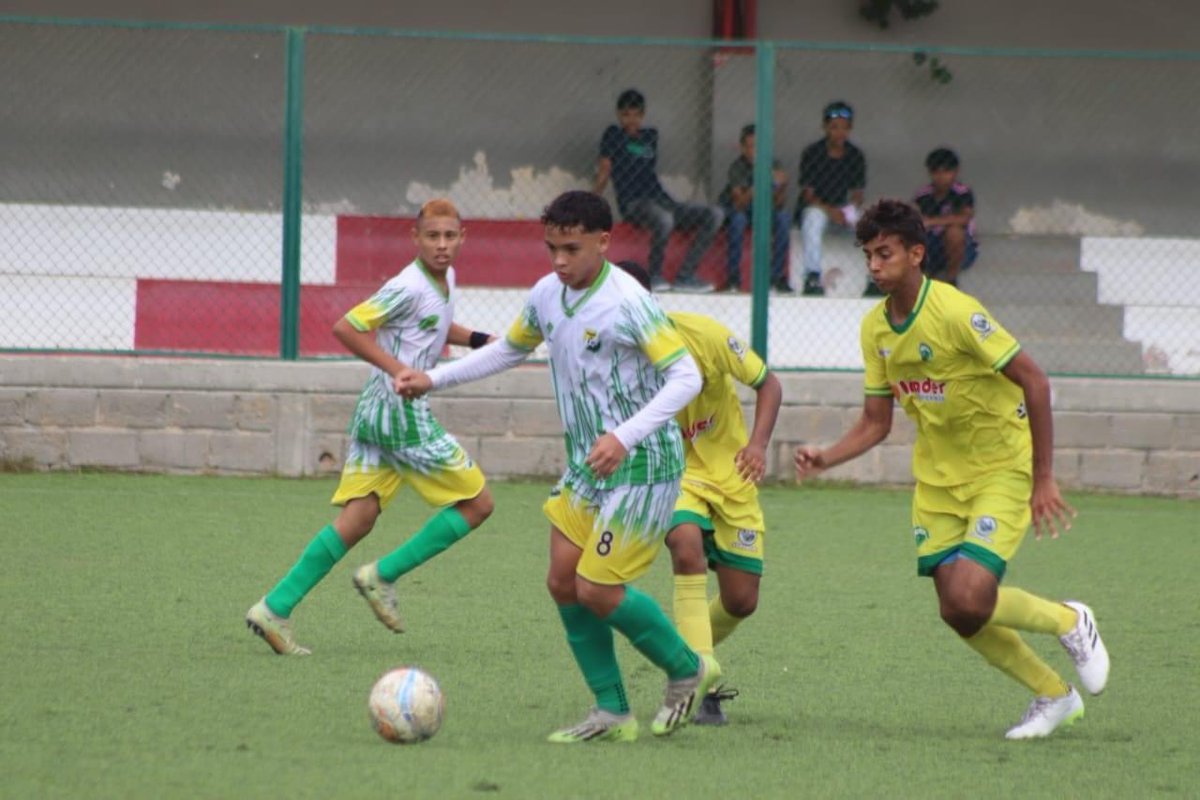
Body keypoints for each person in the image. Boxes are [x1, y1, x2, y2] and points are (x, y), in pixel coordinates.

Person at [396, 191, 721, 742]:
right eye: (552, 248)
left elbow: (686, 377)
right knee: (562, 580)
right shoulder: (548, 294)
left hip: (644, 463)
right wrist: (434, 378)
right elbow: (510, 349)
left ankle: (688, 668)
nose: (560, 261)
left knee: (597, 589)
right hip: (588, 465)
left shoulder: (629, 301)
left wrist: (623, 434)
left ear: (603, 242)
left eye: (572, 248)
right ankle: (612, 711)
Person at [793, 199, 1110, 740]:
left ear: (916, 254)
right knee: (958, 612)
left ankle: (1070, 621)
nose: (874, 265)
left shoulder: (957, 311)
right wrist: (827, 455)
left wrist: (1043, 478)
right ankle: (1054, 696)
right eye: (868, 255)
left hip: (1000, 469)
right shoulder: (875, 330)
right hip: (937, 484)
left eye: (885, 253)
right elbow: (876, 422)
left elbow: (1035, 381)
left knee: (970, 596)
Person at [245, 198, 496, 655]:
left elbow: (434, 325)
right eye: (432, 236)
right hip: (400, 412)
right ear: (414, 238)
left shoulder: (444, 280)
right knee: (479, 504)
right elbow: (347, 327)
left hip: (373, 411)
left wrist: (478, 339)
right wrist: (398, 368)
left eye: (449, 236)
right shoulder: (407, 284)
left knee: (358, 518)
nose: (441, 245)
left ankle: (274, 608)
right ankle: (383, 575)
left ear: (463, 237)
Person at [616, 260, 783, 725]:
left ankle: (686, 658)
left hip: (731, 476)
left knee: (741, 601)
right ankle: (698, 673)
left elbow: (768, 383)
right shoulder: (614, 360)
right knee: (684, 543)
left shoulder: (704, 335)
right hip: (673, 474)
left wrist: (757, 444)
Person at [595, 88, 724, 293]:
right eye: (626, 115)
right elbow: (604, 169)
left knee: (714, 214)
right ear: (619, 115)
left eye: (637, 115)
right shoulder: (613, 135)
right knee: (664, 219)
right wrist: (594, 201)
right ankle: (654, 277)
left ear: (643, 115)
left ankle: (685, 276)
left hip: (662, 200)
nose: (632, 120)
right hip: (633, 202)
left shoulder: (650, 136)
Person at [796, 100, 867, 297]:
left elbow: (858, 194)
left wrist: (849, 210)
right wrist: (831, 211)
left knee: (872, 223)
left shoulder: (855, 155)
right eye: (834, 127)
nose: (840, 132)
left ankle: (875, 280)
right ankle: (812, 276)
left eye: (845, 128)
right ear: (825, 127)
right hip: (820, 208)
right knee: (812, 218)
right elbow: (808, 194)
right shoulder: (813, 153)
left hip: (843, 210)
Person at [718, 124, 791, 293]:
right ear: (743, 148)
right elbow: (739, 203)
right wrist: (760, 183)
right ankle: (733, 279)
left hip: (765, 209)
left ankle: (777, 278)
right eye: (750, 146)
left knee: (784, 218)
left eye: (759, 146)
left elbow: (780, 204)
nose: (755, 151)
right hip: (742, 210)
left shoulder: (774, 164)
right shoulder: (738, 167)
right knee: (737, 220)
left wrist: (781, 187)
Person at [914, 147, 978, 286]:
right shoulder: (923, 195)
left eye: (946, 171)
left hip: (962, 248)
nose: (941, 177)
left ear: (955, 172)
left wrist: (932, 221)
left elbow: (964, 218)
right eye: (936, 172)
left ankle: (951, 278)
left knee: (954, 232)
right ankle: (924, 278)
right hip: (931, 243)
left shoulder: (962, 193)